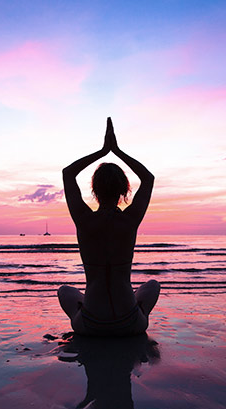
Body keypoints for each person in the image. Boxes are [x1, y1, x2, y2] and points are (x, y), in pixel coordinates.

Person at [58, 117, 160, 336]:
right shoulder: (130, 219)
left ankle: (86, 306)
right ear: (124, 191)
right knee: (151, 285)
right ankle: (137, 307)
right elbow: (148, 178)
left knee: (65, 291)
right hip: (130, 323)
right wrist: (117, 151)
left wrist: (103, 151)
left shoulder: (84, 219)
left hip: (91, 325)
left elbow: (68, 173)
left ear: (94, 190)